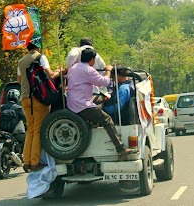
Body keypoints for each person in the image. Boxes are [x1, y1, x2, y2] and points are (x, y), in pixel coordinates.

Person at [67, 48, 137, 158]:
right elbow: (104, 82)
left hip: (72, 102)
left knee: (99, 99)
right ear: (92, 59)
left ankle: (93, 121)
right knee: (107, 120)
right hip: (82, 105)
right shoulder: (89, 70)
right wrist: (108, 71)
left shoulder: (72, 68)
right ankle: (120, 148)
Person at [17, 42, 61, 172]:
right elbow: (51, 75)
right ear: (38, 47)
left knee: (30, 129)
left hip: (25, 98)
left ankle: (27, 161)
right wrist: (58, 71)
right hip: (38, 98)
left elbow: (20, 81)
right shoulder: (40, 57)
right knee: (37, 130)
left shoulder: (21, 61)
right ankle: (35, 162)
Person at [66, 37, 109, 107]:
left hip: (75, 94)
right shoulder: (95, 56)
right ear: (92, 45)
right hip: (92, 92)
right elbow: (104, 71)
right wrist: (108, 71)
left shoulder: (76, 57)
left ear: (80, 45)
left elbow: (71, 56)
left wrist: (69, 66)